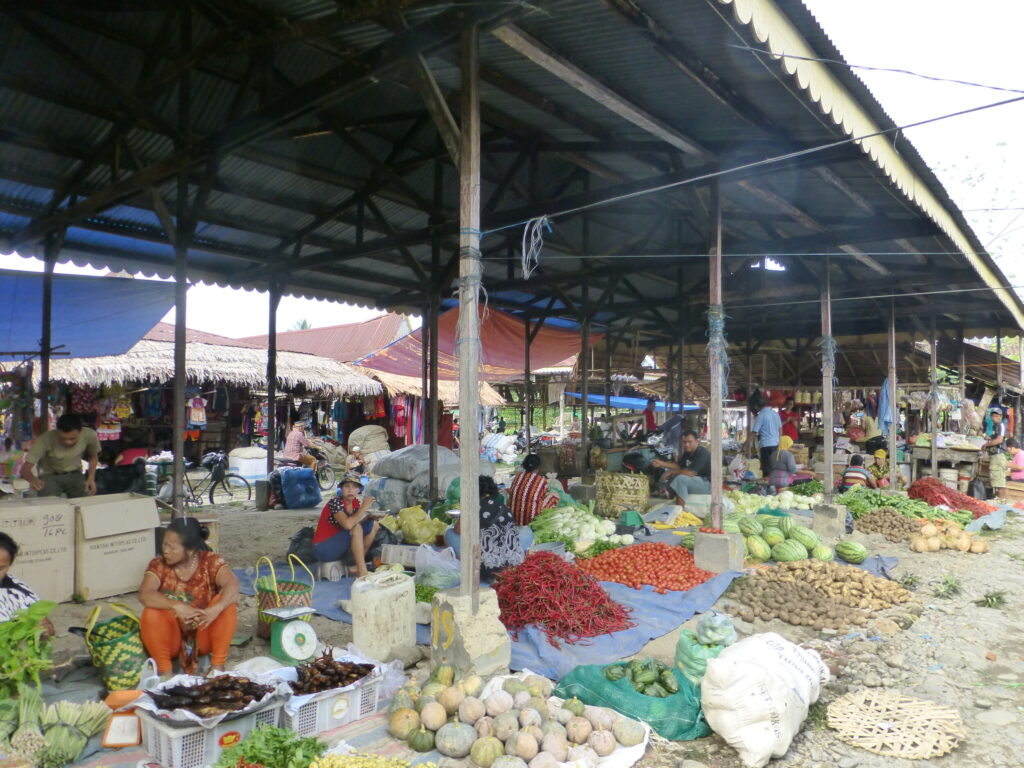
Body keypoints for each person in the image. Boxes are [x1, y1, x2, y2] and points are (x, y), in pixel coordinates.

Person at [139, 518, 239, 677]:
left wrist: (216, 608)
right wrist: (176, 606)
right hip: (171, 640)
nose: (166, 551)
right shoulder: (159, 564)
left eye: (172, 547)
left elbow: (232, 585)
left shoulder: (210, 561)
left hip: (203, 634)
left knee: (227, 604)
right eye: (164, 544)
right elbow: (145, 594)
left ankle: (217, 668)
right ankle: (165, 673)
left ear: (191, 550)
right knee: (151, 611)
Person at [445, 476, 525, 580]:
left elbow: (457, 530)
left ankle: (464, 563)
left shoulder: (474, 507)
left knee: (449, 533)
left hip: (486, 569)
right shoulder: (504, 507)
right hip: (513, 564)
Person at [312, 472, 379, 577]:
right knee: (356, 528)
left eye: (354, 487)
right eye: (347, 486)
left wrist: (371, 516)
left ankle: (356, 565)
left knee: (374, 524)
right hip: (323, 548)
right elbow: (348, 525)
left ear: (358, 490)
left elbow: (357, 519)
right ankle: (362, 571)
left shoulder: (355, 503)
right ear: (341, 489)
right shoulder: (335, 502)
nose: (350, 490)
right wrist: (364, 508)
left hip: (339, 544)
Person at [20, 413, 99, 498]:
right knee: (48, 504)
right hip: (50, 476)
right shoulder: (45, 439)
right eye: (63, 438)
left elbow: (93, 456)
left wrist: (91, 478)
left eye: (72, 438)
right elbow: (25, 470)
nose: (68, 442)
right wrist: (33, 480)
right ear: (57, 431)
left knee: (85, 501)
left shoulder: (89, 435)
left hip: (75, 474)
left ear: (80, 432)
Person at [0, 532, 55, 634]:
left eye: (1, 568)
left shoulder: (18, 591)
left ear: (9, 565)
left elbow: (43, 621)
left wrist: (44, 629)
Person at [651, 430, 711, 507]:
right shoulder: (687, 452)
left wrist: (671, 472)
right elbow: (679, 466)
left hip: (707, 484)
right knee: (674, 476)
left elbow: (691, 473)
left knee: (680, 479)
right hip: (697, 480)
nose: (686, 444)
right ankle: (669, 499)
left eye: (689, 442)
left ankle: (679, 510)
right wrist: (661, 464)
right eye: (684, 442)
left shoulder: (702, 453)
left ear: (697, 441)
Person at [507, 454, 558, 527]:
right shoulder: (541, 480)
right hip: (530, 519)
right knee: (554, 495)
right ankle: (542, 520)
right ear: (538, 466)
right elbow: (543, 495)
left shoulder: (518, 476)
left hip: (514, 518)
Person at [746, 405, 781, 475]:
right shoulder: (775, 414)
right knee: (774, 466)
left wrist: (745, 445)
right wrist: (778, 441)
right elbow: (780, 429)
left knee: (766, 468)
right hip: (775, 444)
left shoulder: (761, 415)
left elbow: (754, 432)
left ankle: (768, 484)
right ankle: (773, 483)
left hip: (766, 445)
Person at [982, 407, 1007, 499]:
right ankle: (1000, 501)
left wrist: (987, 445)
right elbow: (994, 438)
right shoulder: (995, 426)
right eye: (992, 416)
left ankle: (1001, 501)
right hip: (994, 455)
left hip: (998, 455)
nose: (994, 417)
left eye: (996, 415)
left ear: (1001, 416)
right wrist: (987, 438)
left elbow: (999, 440)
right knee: (996, 480)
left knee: (1000, 481)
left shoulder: (1001, 425)